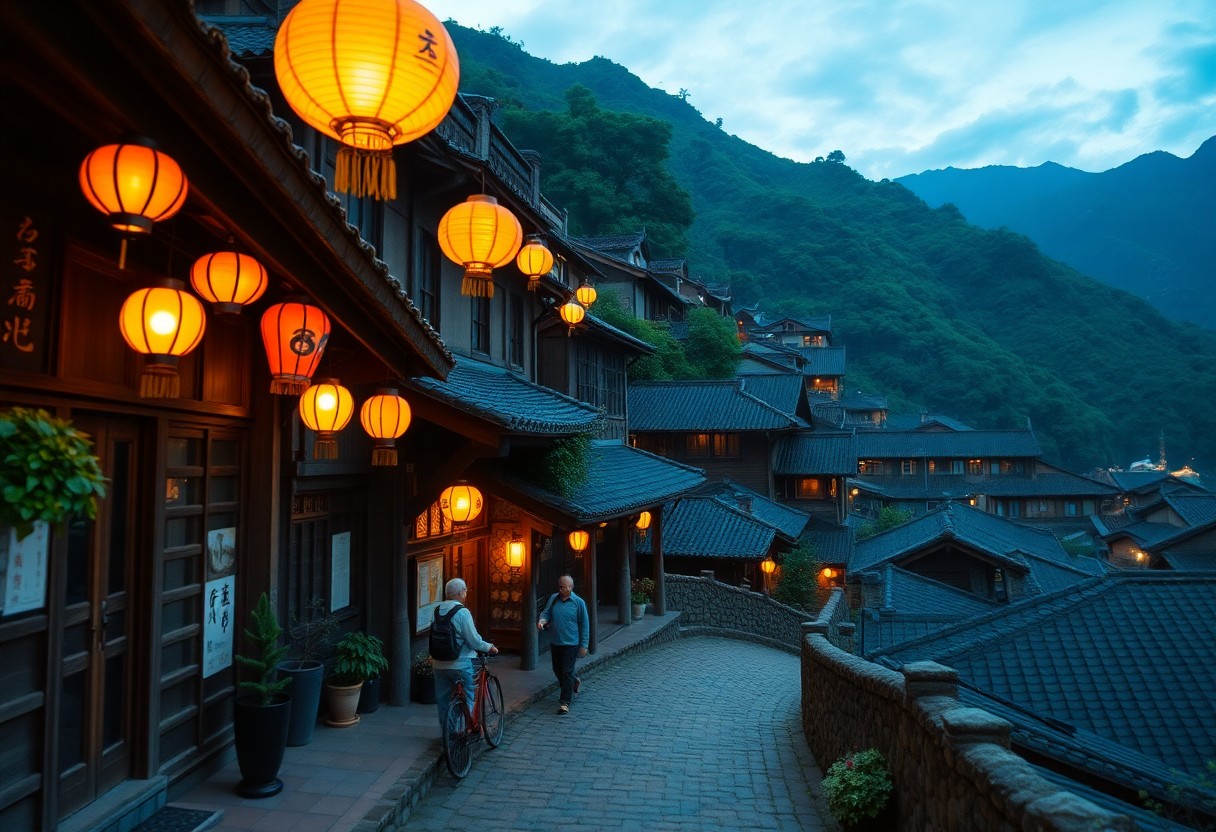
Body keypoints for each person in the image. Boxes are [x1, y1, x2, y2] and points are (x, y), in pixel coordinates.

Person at [430, 578, 497, 729]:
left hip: (439, 663)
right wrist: (490, 647)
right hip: (460, 663)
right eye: (465, 591)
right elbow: (474, 640)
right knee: (468, 697)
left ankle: (448, 734)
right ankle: (467, 729)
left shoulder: (436, 610)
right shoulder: (462, 612)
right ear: (461, 592)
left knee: (443, 701)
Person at [537, 574, 589, 715]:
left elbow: (584, 625)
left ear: (571, 587)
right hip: (555, 641)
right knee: (557, 669)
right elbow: (546, 613)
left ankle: (565, 702)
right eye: (560, 587)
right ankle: (574, 681)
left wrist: (584, 645)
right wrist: (542, 620)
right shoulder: (554, 599)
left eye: (565, 587)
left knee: (566, 671)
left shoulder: (579, 603)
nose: (562, 589)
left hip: (571, 643)